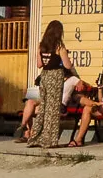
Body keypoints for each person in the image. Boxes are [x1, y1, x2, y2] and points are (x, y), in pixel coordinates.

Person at [25, 20, 74, 149]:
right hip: (56, 76)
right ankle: (49, 140)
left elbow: (39, 64)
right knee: (52, 109)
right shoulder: (59, 46)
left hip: (45, 76)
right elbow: (67, 65)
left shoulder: (41, 45)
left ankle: (34, 138)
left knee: (43, 108)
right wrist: (70, 60)